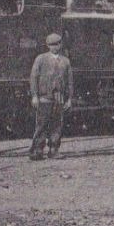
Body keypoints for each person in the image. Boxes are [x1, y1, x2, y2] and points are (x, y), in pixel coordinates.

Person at [28, 32, 73, 161]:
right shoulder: (40, 59)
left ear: (60, 44)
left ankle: (54, 150)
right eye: (52, 44)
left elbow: (70, 81)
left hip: (59, 97)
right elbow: (33, 78)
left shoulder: (65, 61)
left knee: (57, 125)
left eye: (57, 44)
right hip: (44, 97)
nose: (54, 47)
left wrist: (69, 99)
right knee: (42, 124)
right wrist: (34, 96)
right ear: (48, 45)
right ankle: (37, 150)